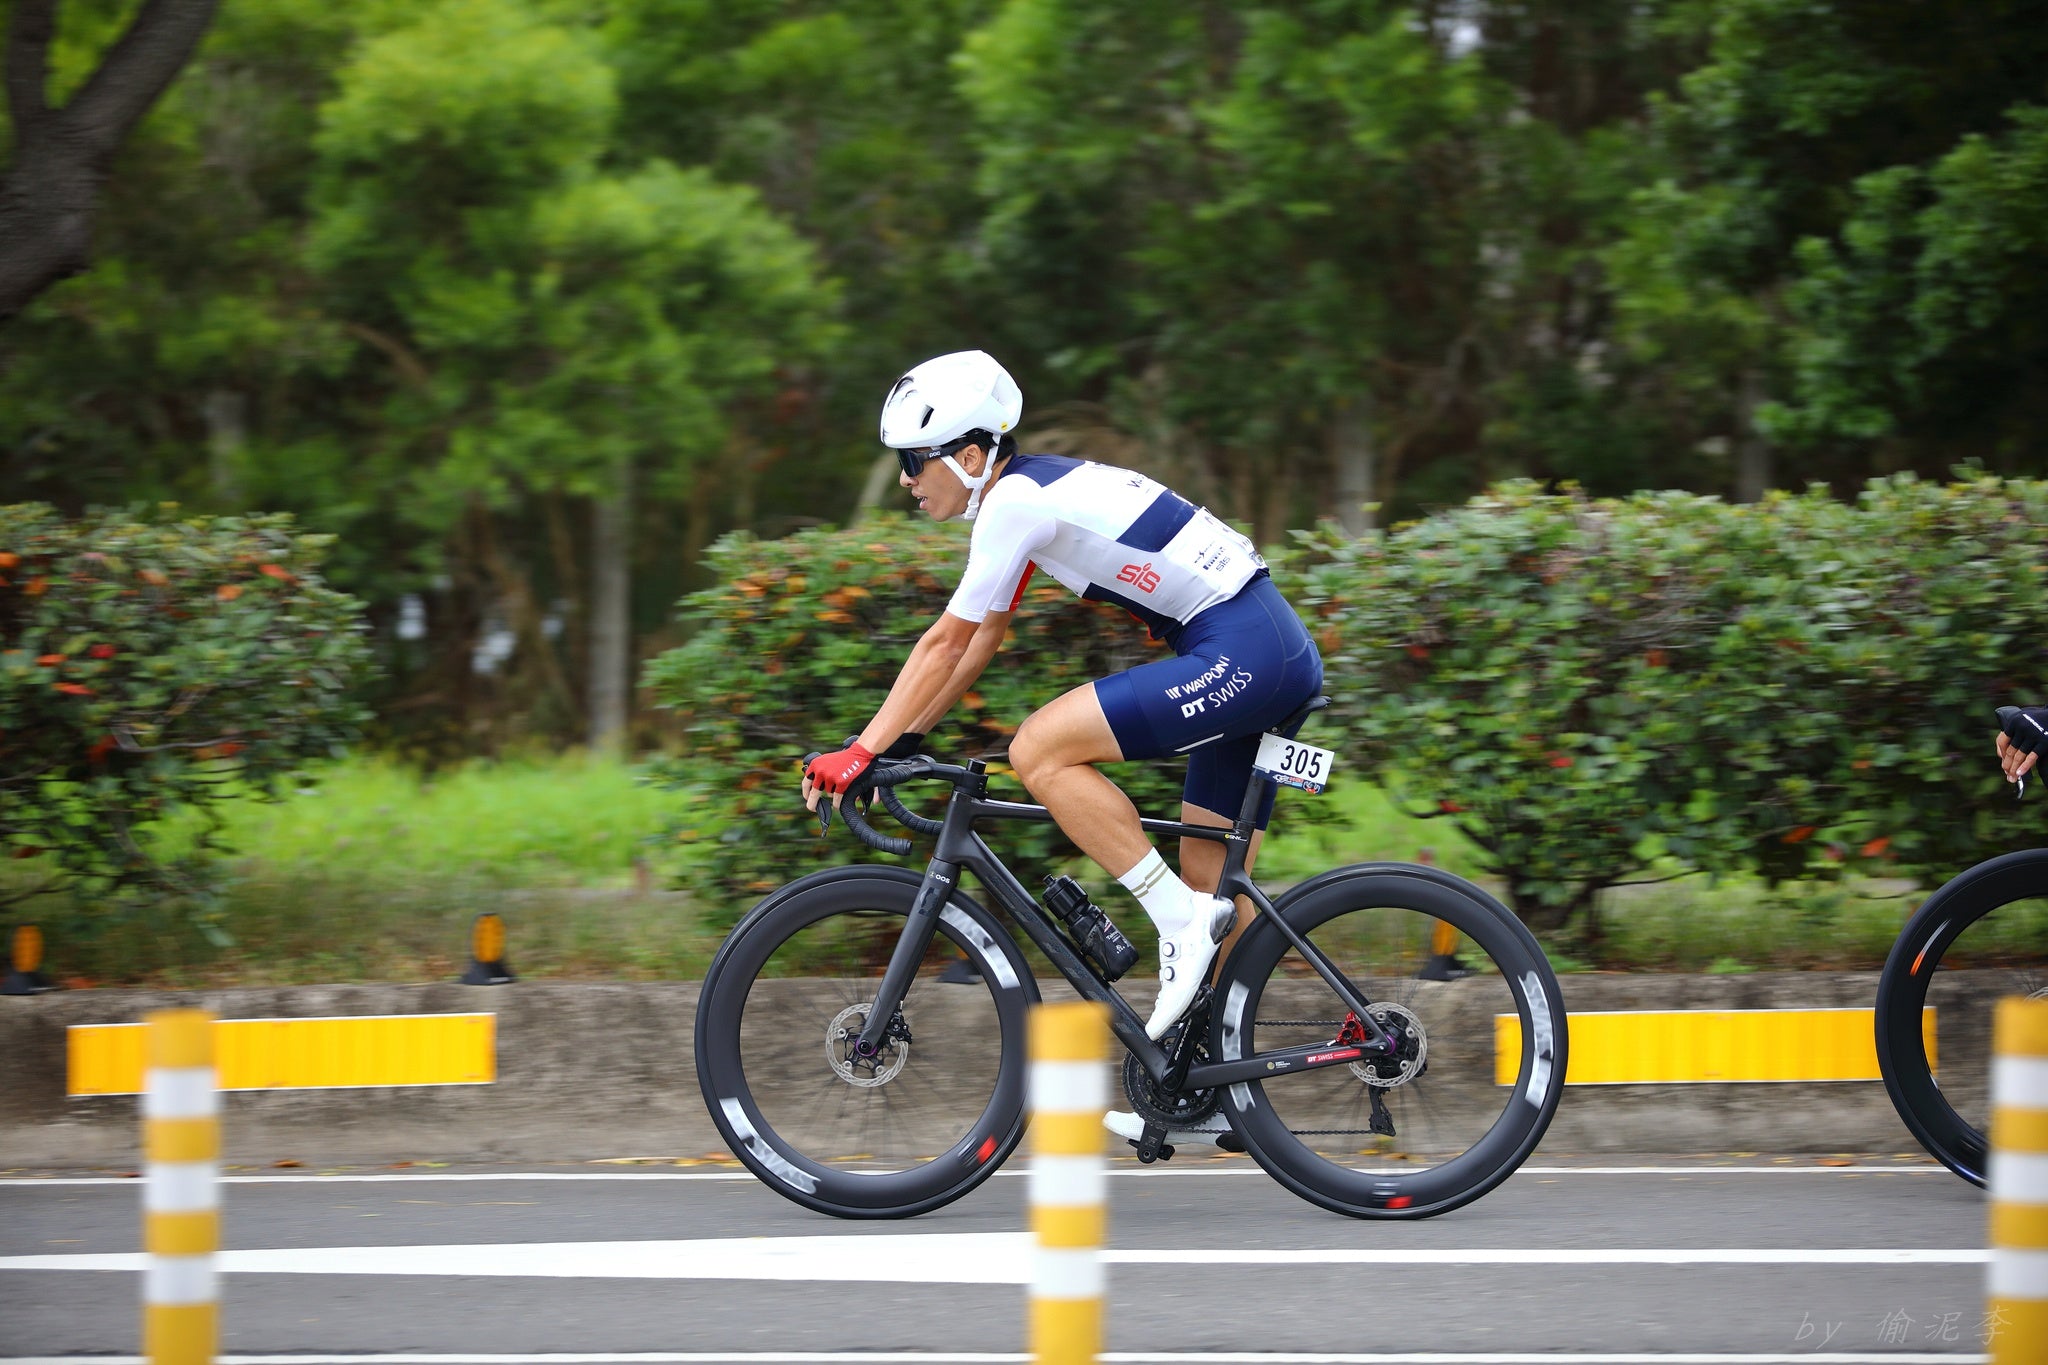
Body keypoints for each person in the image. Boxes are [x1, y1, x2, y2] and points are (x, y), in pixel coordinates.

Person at [800, 349, 1324, 1150]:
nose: (908, 480)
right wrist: (890, 743)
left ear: (970, 456)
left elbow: (943, 642)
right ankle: (1227, 1083)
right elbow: (977, 644)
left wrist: (858, 751)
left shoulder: (1015, 500)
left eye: (915, 461)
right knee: (1216, 877)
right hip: (1263, 642)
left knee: (1039, 748)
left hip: (1242, 647)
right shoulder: (1024, 497)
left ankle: (1176, 922)